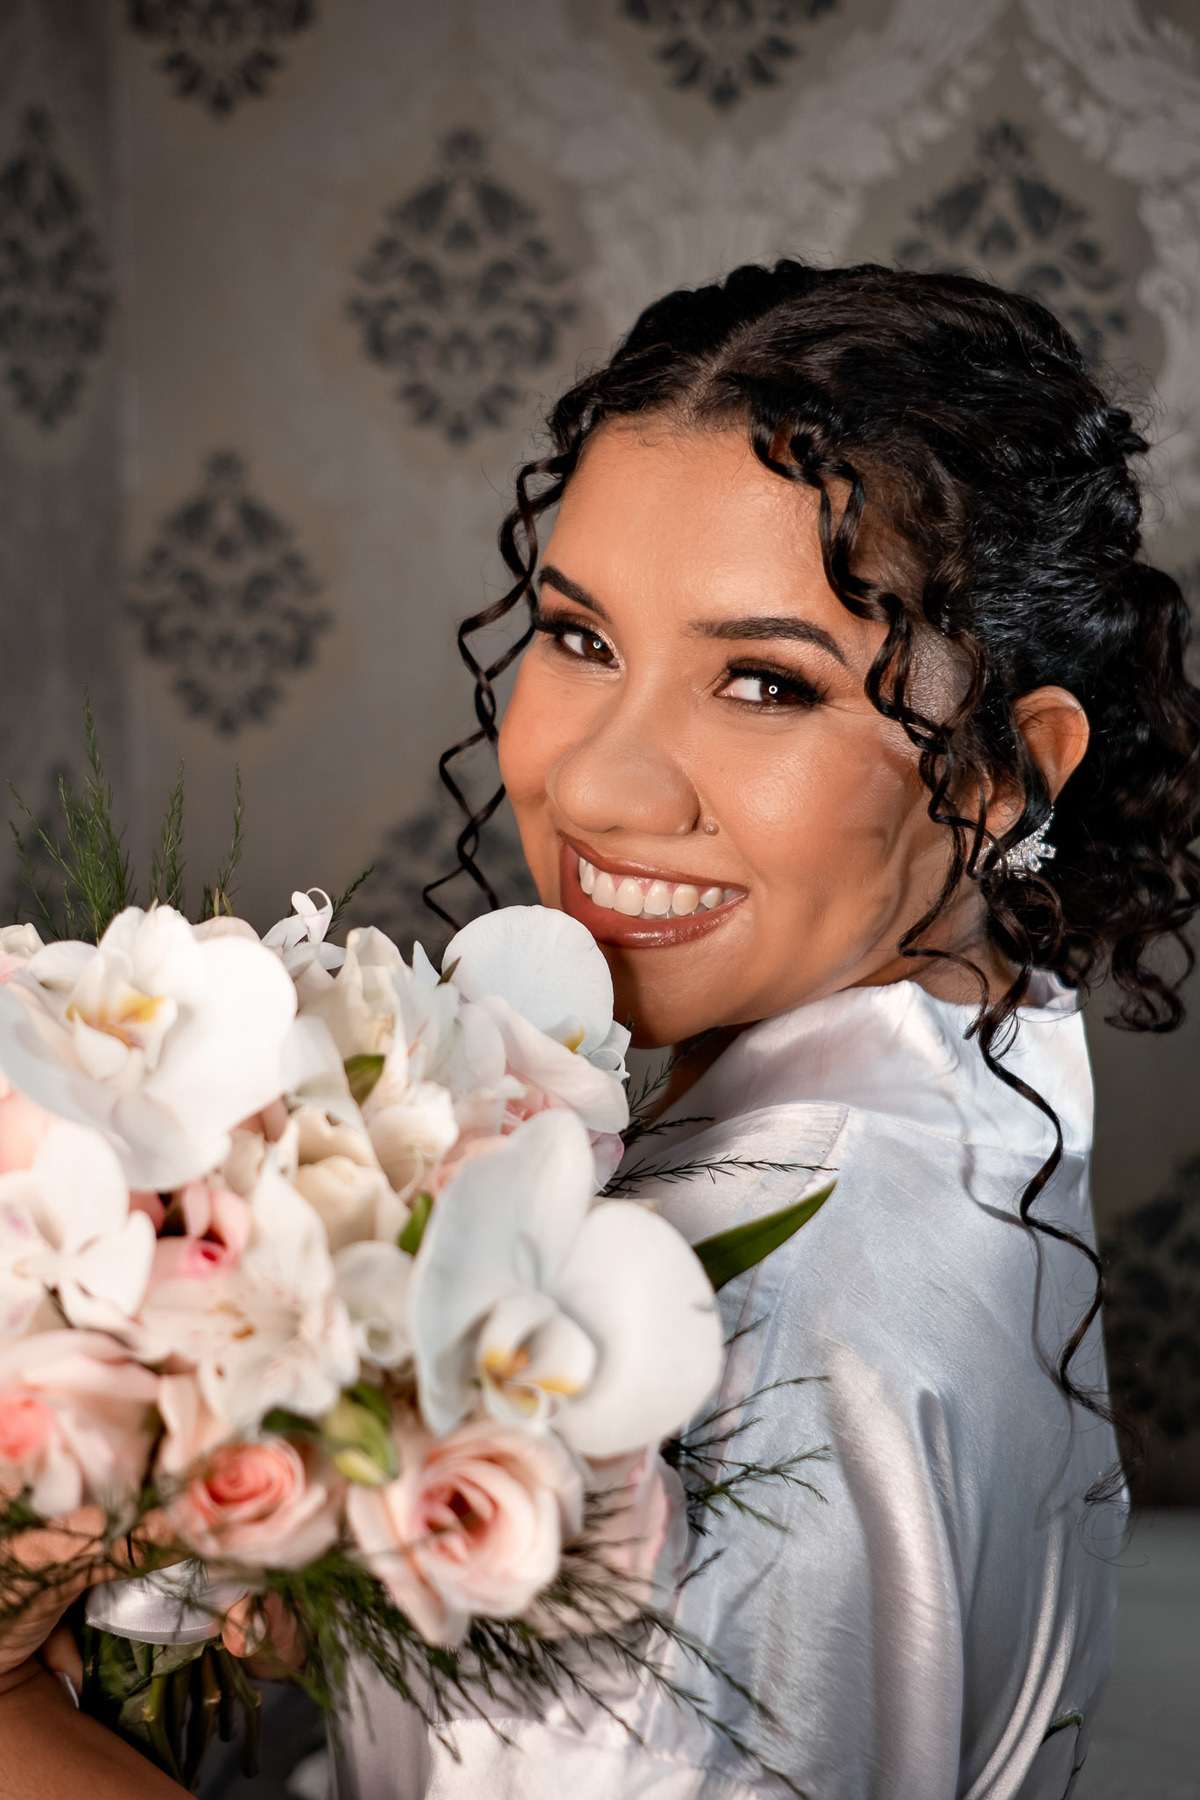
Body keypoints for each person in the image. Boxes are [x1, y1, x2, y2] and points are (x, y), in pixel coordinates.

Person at [2, 261, 1197, 1799]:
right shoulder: (979, 1097)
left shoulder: (754, 1324)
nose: (596, 785)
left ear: (1001, 774)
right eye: (579, 638)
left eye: (764, 682)